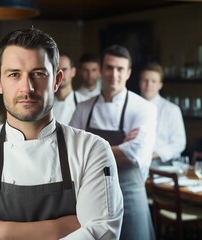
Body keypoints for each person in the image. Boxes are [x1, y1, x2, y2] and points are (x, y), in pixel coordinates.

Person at [0, 28, 123, 239]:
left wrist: (1, 230)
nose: (26, 88)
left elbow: (102, 233)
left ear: (57, 80)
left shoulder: (92, 150)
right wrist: (61, 228)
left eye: (38, 74)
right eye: (14, 74)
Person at [70, 45, 157, 240]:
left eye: (120, 69)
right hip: (91, 195)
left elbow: (132, 156)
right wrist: (118, 147)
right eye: (109, 67)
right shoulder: (83, 108)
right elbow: (69, 151)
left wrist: (89, 148)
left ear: (128, 73)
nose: (114, 74)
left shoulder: (144, 108)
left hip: (130, 194)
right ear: (101, 70)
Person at [139, 63, 186, 166]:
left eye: (153, 81)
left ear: (160, 85)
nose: (148, 85)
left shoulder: (172, 109)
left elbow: (179, 143)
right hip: (133, 161)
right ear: (139, 82)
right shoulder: (132, 106)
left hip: (162, 163)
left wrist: (154, 154)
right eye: (145, 80)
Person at [53, 50, 85, 125]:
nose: (60, 74)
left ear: (73, 72)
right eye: (56, 70)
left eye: (64, 69)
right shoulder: (44, 104)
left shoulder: (84, 103)